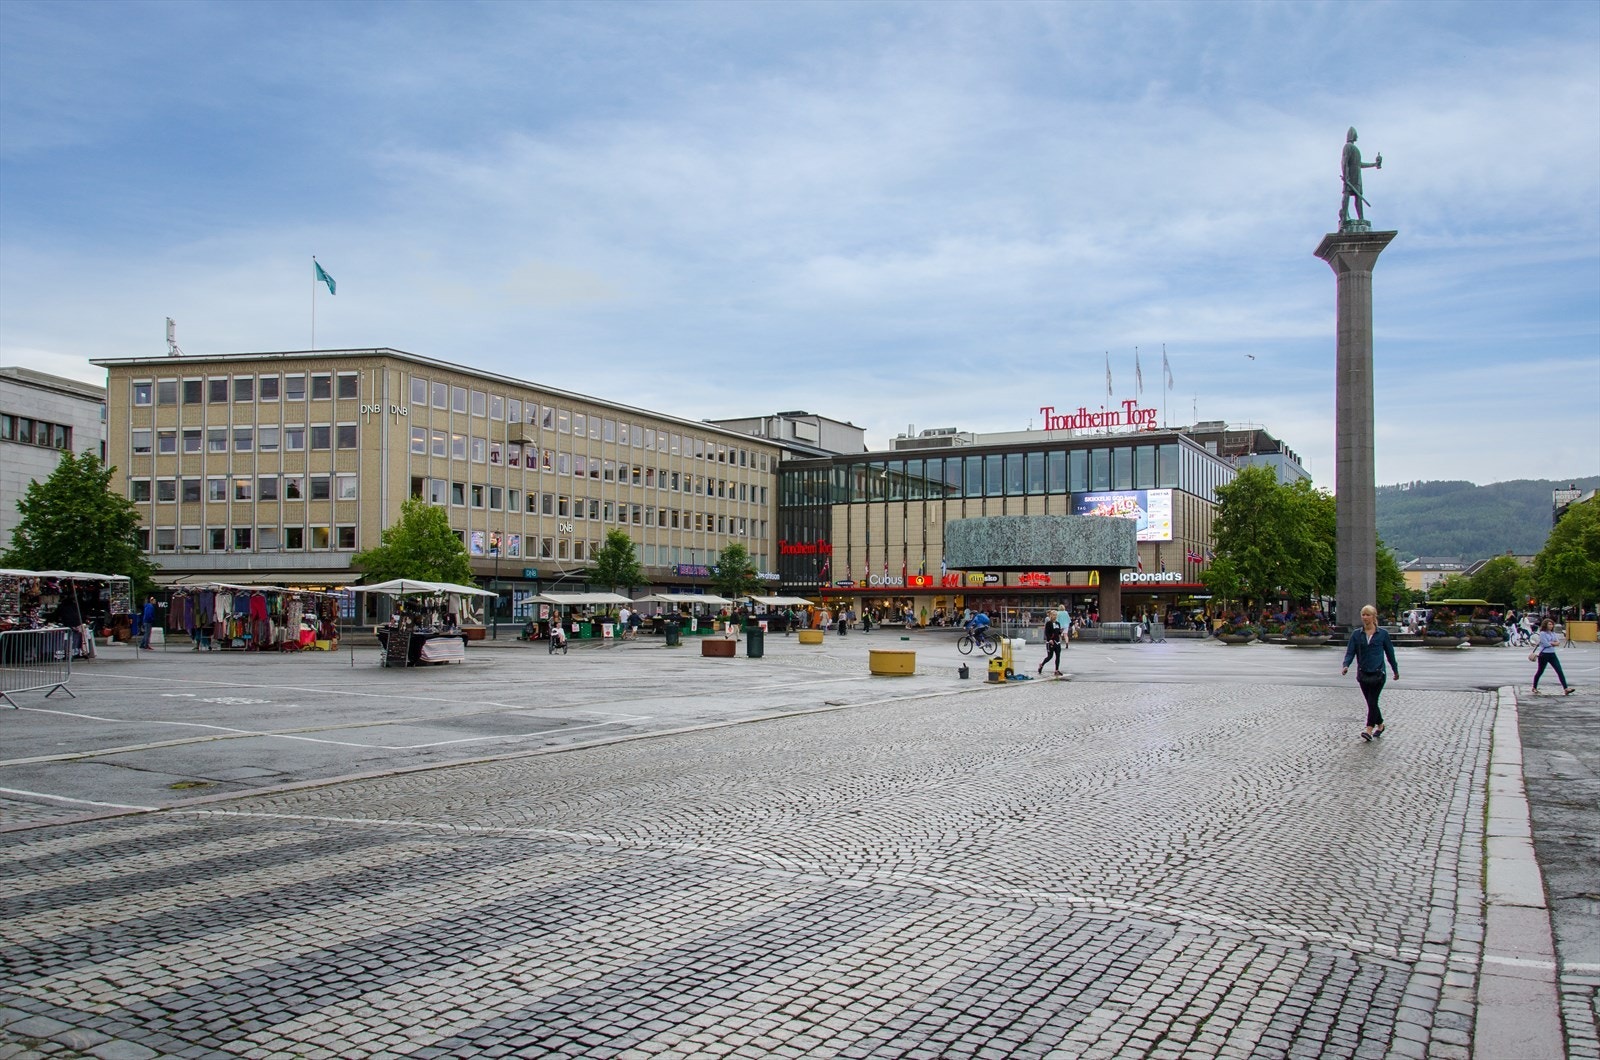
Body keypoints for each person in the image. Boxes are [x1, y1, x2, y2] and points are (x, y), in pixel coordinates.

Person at [1342, 604, 1399, 742]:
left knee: (1373, 700)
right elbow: (1350, 652)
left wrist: (1395, 670)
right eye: (1363, 615)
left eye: (1368, 615)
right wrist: (1346, 665)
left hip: (1378, 673)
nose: (1365, 617)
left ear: (1374, 617)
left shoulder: (1382, 634)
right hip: (1363, 673)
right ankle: (1380, 725)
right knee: (1370, 702)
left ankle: (1369, 728)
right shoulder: (1357, 634)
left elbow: (1390, 653)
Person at [1340, 126, 1381, 226]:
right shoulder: (1348, 147)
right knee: (1347, 195)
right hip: (1349, 176)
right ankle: (1344, 217)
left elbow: (1359, 164)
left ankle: (1361, 218)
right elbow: (1344, 161)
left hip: (1357, 177)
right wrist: (1346, 175)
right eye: (1355, 135)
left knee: (1358, 197)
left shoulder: (1356, 149)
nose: (1357, 137)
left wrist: (1374, 164)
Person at [1531, 617, 1574, 695]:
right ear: (1545, 625)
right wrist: (1553, 643)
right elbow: (1546, 644)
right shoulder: (1542, 633)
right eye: (1549, 624)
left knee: (1559, 670)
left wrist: (1553, 643)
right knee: (1540, 671)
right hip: (1544, 654)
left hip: (1552, 654)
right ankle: (1534, 687)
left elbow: (1558, 642)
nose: (1551, 626)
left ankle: (1566, 688)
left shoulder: (1552, 633)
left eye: (1552, 624)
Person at [1038, 610, 1063, 676]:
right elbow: (1047, 633)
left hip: (1057, 642)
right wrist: (1049, 640)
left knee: (1058, 656)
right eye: (1054, 615)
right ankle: (1041, 665)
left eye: (1056, 615)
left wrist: (1061, 632)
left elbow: (1058, 632)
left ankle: (1056, 670)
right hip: (1050, 642)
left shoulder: (1058, 623)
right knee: (1050, 656)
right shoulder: (1048, 623)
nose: (1055, 616)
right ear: (1051, 616)